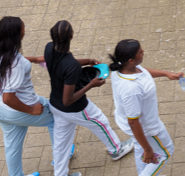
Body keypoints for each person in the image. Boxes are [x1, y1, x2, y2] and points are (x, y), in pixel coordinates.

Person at [44, 21, 130, 176]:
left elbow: (66, 64)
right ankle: (117, 149)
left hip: (55, 106)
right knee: (100, 122)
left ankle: (60, 174)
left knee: (61, 145)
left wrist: (88, 61)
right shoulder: (71, 66)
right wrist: (91, 85)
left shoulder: (49, 48)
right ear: (71, 35)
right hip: (75, 108)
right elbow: (68, 99)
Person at [0, 17, 62, 176]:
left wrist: (33, 60)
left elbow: (12, 62)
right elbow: (9, 97)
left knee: (12, 147)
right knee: (58, 117)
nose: (25, 31)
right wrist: (31, 110)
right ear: (15, 35)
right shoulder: (17, 64)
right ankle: (61, 161)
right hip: (19, 107)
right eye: (23, 29)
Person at [107, 38, 181, 176]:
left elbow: (142, 71)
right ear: (131, 60)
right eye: (140, 52)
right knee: (165, 152)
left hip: (138, 127)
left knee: (140, 148)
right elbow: (133, 122)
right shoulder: (131, 89)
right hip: (147, 128)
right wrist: (148, 149)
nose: (143, 52)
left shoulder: (122, 69)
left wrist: (166, 73)